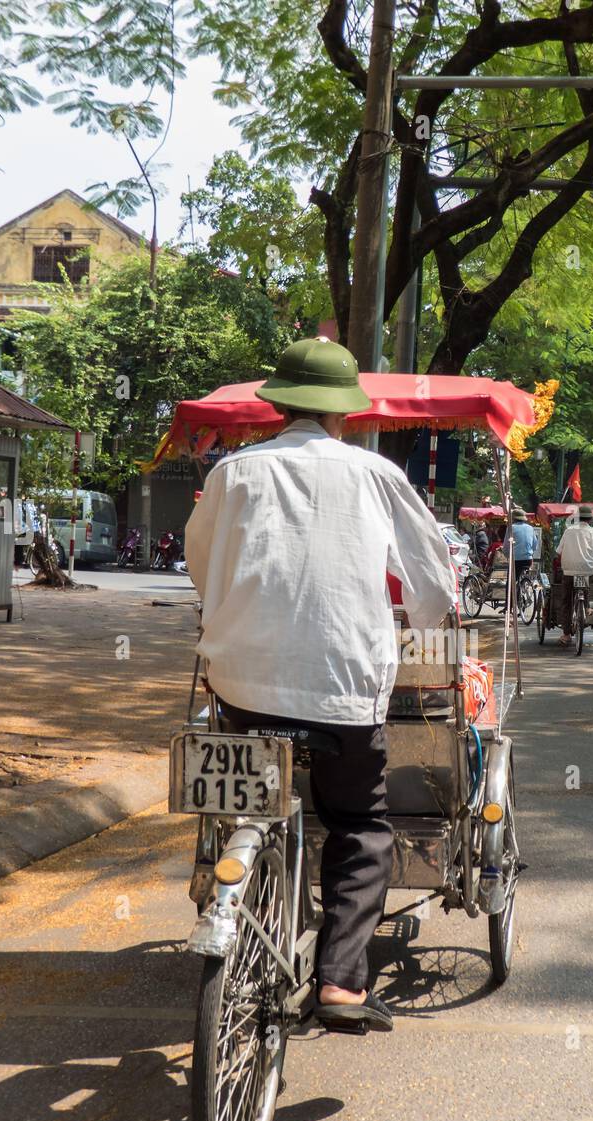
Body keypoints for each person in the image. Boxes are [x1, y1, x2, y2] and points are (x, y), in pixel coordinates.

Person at [185, 337, 456, 1035]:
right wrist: (415, 624)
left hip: (239, 684)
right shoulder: (375, 474)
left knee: (244, 795)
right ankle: (339, 984)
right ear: (343, 413)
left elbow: (201, 563)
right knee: (361, 826)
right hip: (343, 691)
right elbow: (432, 585)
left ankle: (233, 879)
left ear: (280, 406)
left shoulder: (233, 472)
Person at [555, 504, 593, 645]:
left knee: (566, 602)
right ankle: (586, 607)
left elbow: (559, 551)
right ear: (590, 520)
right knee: (585, 589)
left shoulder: (568, 531)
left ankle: (566, 635)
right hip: (586, 571)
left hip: (568, 571)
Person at [502, 507, 537, 583]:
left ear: (513, 519)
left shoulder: (511, 528)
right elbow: (535, 546)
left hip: (515, 560)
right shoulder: (531, 528)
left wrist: (507, 556)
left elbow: (505, 547)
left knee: (511, 582)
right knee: (525, 578)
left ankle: (512, 594)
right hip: (528, 559)